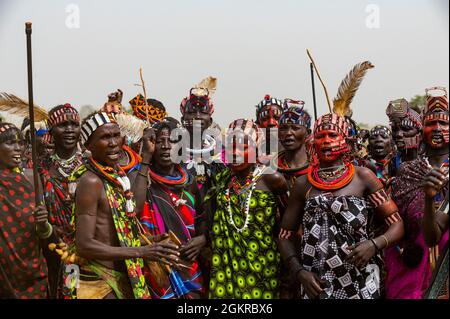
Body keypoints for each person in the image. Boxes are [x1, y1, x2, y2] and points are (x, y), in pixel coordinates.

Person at [279, 113, 404, 299]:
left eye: (332, 135)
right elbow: (285, 236)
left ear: (345, 140)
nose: (326, 141)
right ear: (313, 141)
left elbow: (397, 225)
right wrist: (300, 273)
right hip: (317, 282)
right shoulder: (303, 184)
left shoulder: (363, 177)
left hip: (360, 280)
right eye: (320, 136)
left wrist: (374, 245)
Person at [67, 112, 180, 299]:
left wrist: (145, 158)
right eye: (105, 137)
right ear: (88, 145)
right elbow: (84, 245)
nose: (113, 143)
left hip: (117, 276)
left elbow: (132, 209)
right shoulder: (91, 181)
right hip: (96, 280)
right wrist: (141, 251)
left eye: (115, 135)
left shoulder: (115, 175)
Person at [205, 119, 288, 299]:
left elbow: (288, 225)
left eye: (243, 147)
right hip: (225, 267)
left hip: (263, 266)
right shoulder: (222, 179)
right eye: (231, 146)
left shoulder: (272, 179)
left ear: (256, 149)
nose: (235, 153)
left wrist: (290, 273)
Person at [385, 87, 449, 299]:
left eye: (444, 123)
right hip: (417, 267)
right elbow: (399, 221)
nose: (437, 128)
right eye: (431, 123)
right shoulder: (409, 171)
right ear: (422, 129)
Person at [133, 118, 207, 298]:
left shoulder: (190, 181)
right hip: (154, 267)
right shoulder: (141, 179)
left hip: (188, 263)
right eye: (159, 141)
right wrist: (145, 159)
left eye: (172, 141)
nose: (166, 146)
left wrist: (202, 239)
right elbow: (134, 207)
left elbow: (203, 219)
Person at [0, 122, 55, 298]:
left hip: (33, 269)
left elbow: (44, 230)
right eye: (9, 143)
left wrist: (43, 224)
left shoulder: (32, 176)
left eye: (21, 143)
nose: (18, 148)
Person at [37, 104, 83, 298]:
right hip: (54, 249)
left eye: (74, 124)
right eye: (63, 125)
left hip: (90, 248)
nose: (70, 129)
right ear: (51, 130)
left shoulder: (91, 165)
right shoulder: (40, 168)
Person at [272, 99, 311, 189]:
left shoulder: (318, 168)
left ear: (307, 133)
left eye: (295, 128)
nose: (288, 133)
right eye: (283, 128)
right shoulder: (270, 170)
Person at [386, 98, 422, 163]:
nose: (398, 134)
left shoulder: (429, 163)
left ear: (420, 133)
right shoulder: (392, 162)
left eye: (406, 129)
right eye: (395, 129)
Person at [366, 125, 400, 190]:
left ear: (392, 144)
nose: (378, 140)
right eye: (373, 137)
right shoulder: (362, 165)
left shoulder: (398, 163)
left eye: (384, 137)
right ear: (369, 145)